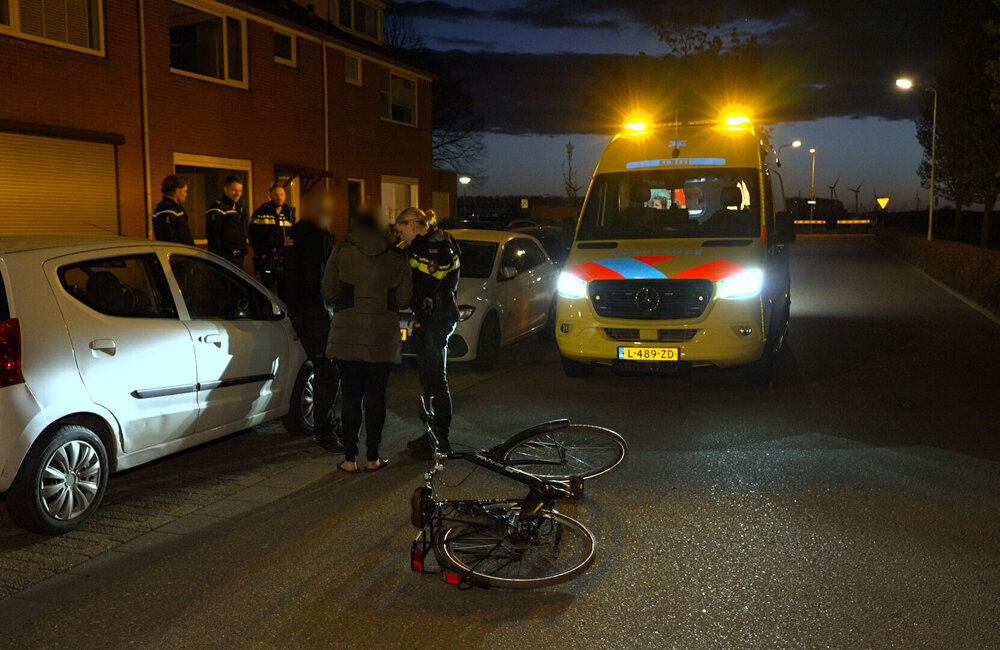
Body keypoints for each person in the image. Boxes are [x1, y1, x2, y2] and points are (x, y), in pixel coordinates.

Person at [322, 207, 412, 473]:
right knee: (376, 397)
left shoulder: (340, 251)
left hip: (347, 334)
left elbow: (328, 291)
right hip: (382, 336)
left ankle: (349, 459)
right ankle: (373, 457)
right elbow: (405, 298)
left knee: (350, 396)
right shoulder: (396, 256)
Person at [393, 207, 461, 457]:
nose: (402, 237)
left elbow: (423, 286)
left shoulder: (433, 248)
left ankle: (440, 438)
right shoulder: (430, 243)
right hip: (431, 317)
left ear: (412, 225)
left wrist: (401, 296)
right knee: (428, 379)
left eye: (402, 231)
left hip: (436, 317)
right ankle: (432, 434)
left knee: (436, 379)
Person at [284, 191, 342, 451]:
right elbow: (319, 277)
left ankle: (325, 424)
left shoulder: (294, 233)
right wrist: (327, 305)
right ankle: (325, 430)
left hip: (300, 310)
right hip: (315, 311)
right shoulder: (317, 236)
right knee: (327, 371)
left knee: (322, 369)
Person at [250, 183, 296, 292]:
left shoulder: (288, 213)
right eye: (276, 194)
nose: (279, 197)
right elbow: (253, 235)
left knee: (285, 291)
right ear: (270, 196)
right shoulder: (261, 212)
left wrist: (290, 253)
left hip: (284, 259)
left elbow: (292, 235)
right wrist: (261, 254)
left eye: (282, 194)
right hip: (267, 259)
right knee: (267, 291)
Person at [206, 176, 248, 267]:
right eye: (234, 190)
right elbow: (213, 235)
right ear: (225, 189)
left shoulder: (239, 209)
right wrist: (221, 256)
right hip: (224, 259)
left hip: (238, 258)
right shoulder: (217, 208)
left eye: (240, 191)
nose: (237, 194)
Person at [152, 175, 195, 245]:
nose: (186, 195)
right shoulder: (168, 211)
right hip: (180, 253)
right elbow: (169, 240)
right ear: (177, 191)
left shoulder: (169, 209)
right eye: (185, 191)